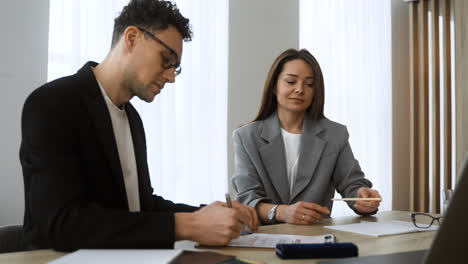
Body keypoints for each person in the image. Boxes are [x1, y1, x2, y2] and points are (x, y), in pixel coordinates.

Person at [19, 0, 257, 251]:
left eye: (176, 67)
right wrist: (187, 225)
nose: (170, 77)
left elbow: (140, 207)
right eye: (166, 59)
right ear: (131, 38)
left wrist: (208, 214)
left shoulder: (132, 118)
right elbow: (61, 224)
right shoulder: (53, 104)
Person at [231, 49, 381, 225]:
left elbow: (352, 184)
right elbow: (248, 198)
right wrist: (281, 212)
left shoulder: (335, 134)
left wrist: (362, 196)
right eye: (291, 81)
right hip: (264, 239)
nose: (300, 89)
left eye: (309, 84)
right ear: (274, 86)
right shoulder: (246, 137)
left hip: (316, 240)